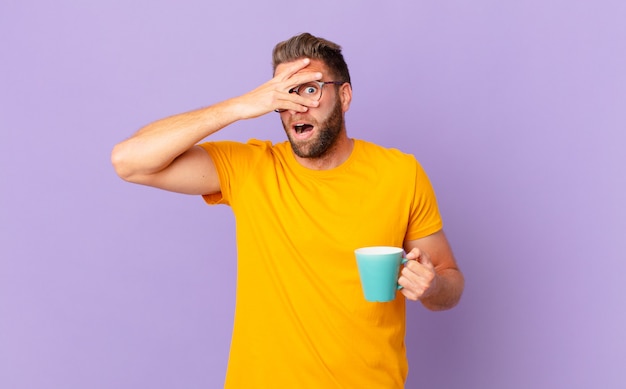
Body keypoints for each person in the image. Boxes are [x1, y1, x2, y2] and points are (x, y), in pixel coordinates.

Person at [112, 32, 464, 388]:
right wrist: (239, 106)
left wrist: (432, 286)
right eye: (285, 94)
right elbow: (129, 161)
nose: (297, 106)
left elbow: (450, 283)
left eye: (310, 90)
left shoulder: (400, 174)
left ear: (344, 96)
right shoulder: (251, 168)